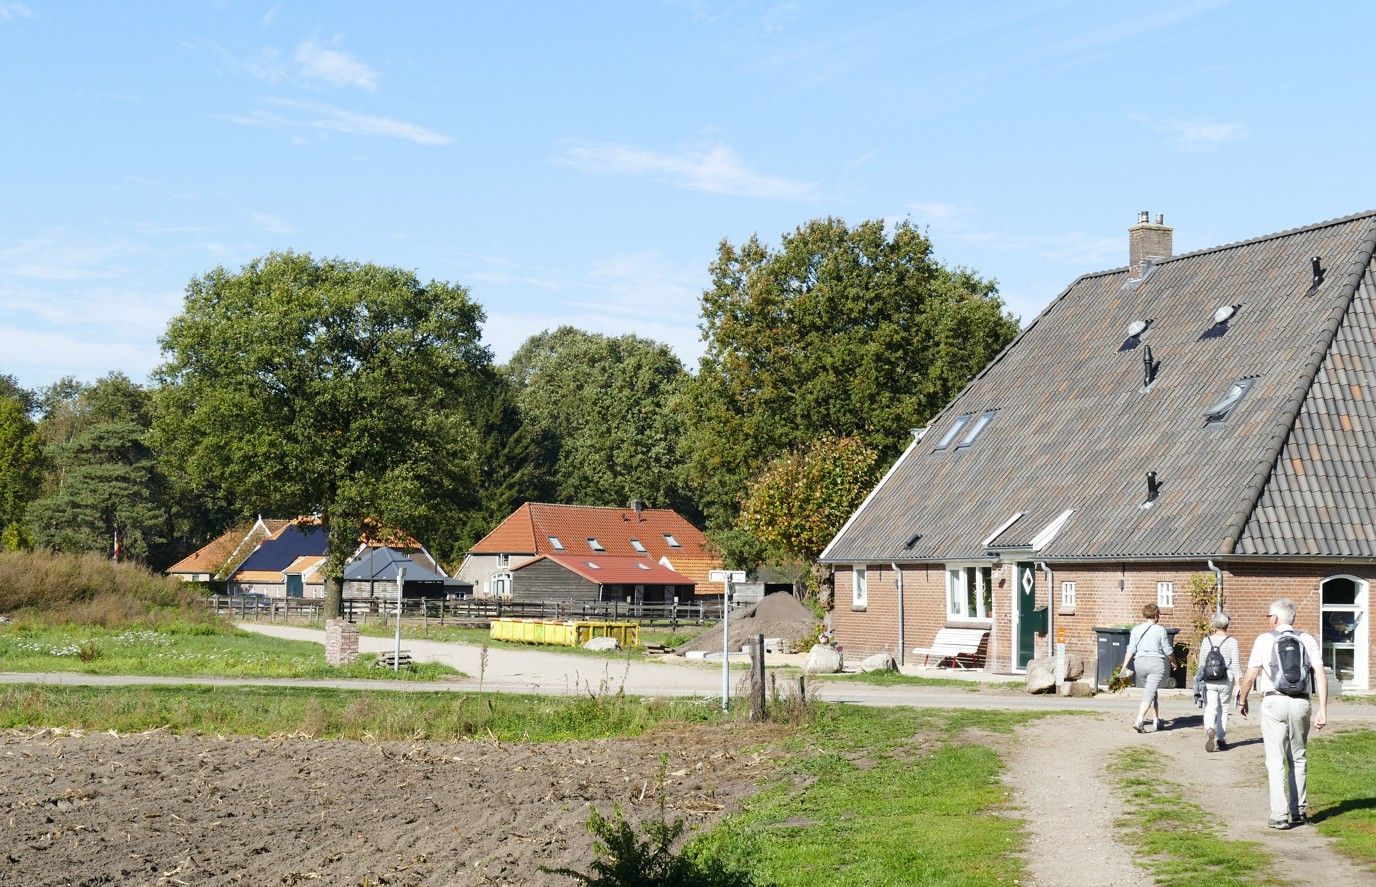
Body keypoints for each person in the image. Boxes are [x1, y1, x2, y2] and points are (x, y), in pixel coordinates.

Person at [1237, 598, 1329, 830]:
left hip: (1273, 701)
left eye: (1269, 616)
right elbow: (1320, 674)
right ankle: (1298, 811)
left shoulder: (1264, 639)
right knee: (1298, 756)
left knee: (1275, 759)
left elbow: (1250, 675)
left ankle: (1279, 815)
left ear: (1275, 619)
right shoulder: (1307, 639)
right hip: (1301, 702)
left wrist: (1242, 700)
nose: (1268, 619)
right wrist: (1322, 709)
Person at [1122, 602, 1176, 733]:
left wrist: (1124, 666)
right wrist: (1174, 662)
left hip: (1139, 663)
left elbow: (1131, 649)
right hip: (1155, 663)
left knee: (1151, 691)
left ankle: (1156, 719)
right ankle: (1139, 720)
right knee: (1149, 692)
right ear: (1156, 615)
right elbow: (1168, 650)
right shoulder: (1160, 630)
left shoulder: (1136, 629)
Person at [1194, 611, 1241, 752]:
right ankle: (1221, 739)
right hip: (1226, 679)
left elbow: (1202, 664)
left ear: (1214, 625)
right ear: (1227, 624)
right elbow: (1236, 665)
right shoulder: (1232, 642)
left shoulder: (1206, 641)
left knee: (1210, 707)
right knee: (1223, 709)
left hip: (1209, 679)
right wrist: (1238, 684)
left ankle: (1209, 728)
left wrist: (1198, 681)